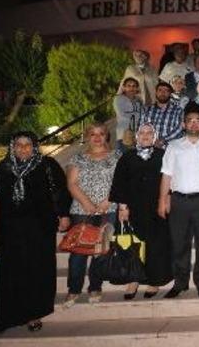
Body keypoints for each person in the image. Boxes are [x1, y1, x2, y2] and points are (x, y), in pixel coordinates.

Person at [0, 132, 70, 335]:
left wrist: (63, 214)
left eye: (28, 145)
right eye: (19, 145)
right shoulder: (0, 169)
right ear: (12, 146)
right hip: (8, 230)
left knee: (36, 270)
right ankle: (7, 317)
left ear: (34, 146)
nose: (23, 148)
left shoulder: (46, 165)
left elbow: (60, 190)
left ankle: (34, 314)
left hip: (39, 228)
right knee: (11, 272)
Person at [157, 103, 199, 299]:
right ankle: (180, 283)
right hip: (179, 201)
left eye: (198, 121)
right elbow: (166, 175)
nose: (193, 124)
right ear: (184, 124)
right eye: (190, 120)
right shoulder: (173, 147)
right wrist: (162, 200)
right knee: (179, 244)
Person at [109, 123, 174, 300]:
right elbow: (119, 182)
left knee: (156, 244)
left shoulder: (164, 155)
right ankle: (134, 279)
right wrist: (122, 206)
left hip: (157, 207)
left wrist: (167, 198)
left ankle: (154, 280)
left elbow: (170, 179)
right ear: (137, 136)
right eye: (142, 132)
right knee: (134, 245)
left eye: (149, 132)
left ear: (155, 136)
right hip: (133, 208)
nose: (145, 135)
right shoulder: (127, 157)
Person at [63, 122, 121, 308]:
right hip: (82, 210)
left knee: (101, 250)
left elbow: (122, 182)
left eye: (101, 134)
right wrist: (86, 203)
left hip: (108, 208)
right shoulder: (77, 158)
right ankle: (73, 289)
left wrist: (108, 201)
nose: (97, 137)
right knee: (78, 251)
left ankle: (95, 286)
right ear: (88, 136)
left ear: (107, 136)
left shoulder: (117, 156)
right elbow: (71, 183)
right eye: (93, 134)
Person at [113, 77, 144, 154]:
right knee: (122, 161)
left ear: (137, 88)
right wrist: (137, 114)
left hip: (137, 136)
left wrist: (134, 114)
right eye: (129, 86)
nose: (131, 88)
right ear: (124, 87)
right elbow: (122, 115)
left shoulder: (139, 100)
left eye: (134, 86)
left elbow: (143, 115)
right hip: (123, 135)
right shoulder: (118, 99)